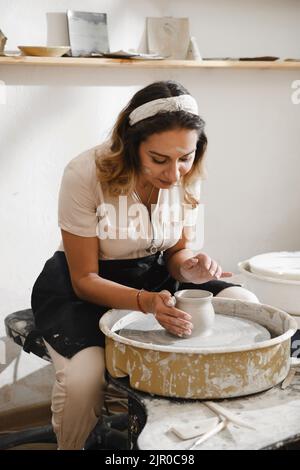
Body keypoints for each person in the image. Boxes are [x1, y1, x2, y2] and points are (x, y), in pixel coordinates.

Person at [25, 80, 258, 450]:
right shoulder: (85, 173)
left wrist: (190, 268)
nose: (174, 174)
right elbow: (84, 278)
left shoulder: (187, 171)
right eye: (159, 160)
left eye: (185, 157)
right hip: (88, 286)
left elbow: (176, 253)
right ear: (131, 145)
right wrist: (147, 302)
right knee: (85, 378)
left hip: (157, 279)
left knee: (247, 302)